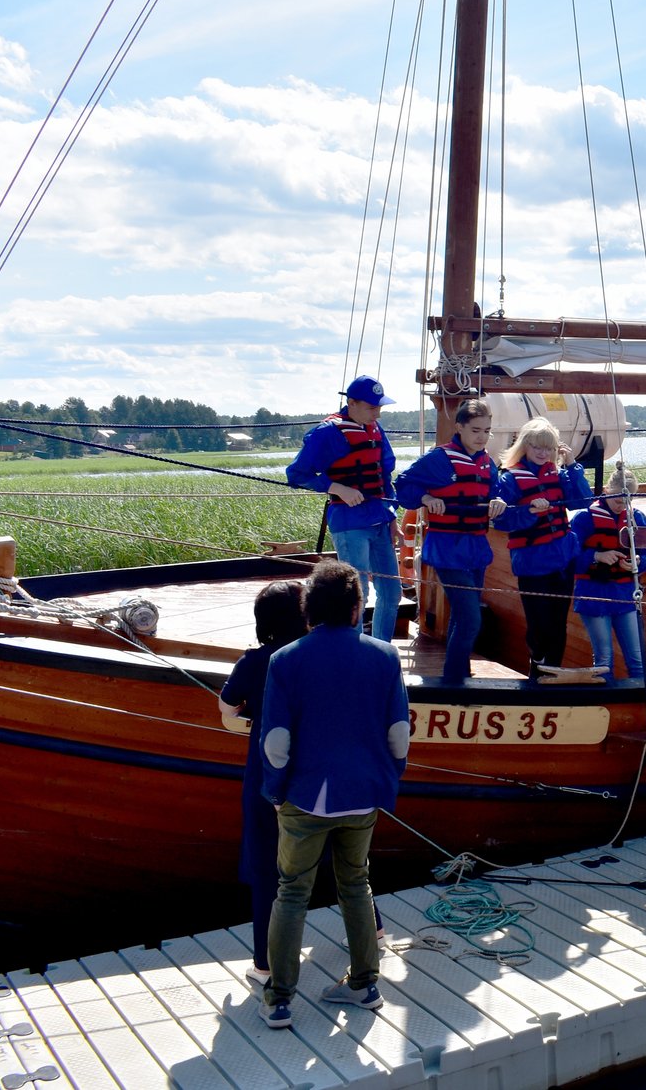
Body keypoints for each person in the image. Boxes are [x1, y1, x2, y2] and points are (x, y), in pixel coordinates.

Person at [258, 560, 410, 1029]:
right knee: (356, 885)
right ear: (355, 607)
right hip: (362, 796)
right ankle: (364, 984)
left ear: (309, 608)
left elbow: (276, 743)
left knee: (291, 893)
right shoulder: (385, 657)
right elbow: (399, 736)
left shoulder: (287, 659)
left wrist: (275, 792)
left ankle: (280, 998)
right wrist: (385, 781)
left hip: (305, 797)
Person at [217, 580, 308, 984]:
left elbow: (227, 707)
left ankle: (264, 965)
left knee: (266, 872)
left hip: (267, 782)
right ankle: (373, 931)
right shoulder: (315, 657)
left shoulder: (254, 663)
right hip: (317, 777)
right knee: (344, 861)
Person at [394, 398, 508, 682]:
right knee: (471, 618)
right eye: (476, 430)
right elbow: (404, 484)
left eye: (487, 431)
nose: (482, 437)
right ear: (459, 427)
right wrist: (426, 497)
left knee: (462, 615)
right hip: (447, 548)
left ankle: (456, 674)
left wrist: (498, 501)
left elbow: (498, 491)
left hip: (476, 549)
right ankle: (455, 680)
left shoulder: (486, 463)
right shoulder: (439, 459)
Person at [285, 376, 401, 640]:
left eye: (379, 407)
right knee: (357, 593)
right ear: (351, 403)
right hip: (350, 525)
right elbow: (296, 474)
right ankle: (355, 649)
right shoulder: (327, 432)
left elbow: (385, 476)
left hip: (380, 521)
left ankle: (380, 649)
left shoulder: (375, 429)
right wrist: (336, 488)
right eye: (372, 407)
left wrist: (392, 518)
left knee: (392, 592)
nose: (377, 413)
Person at [493, 419, 592, 676]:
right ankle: (537, 667)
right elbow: (502, 520)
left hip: (562, 558)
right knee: (538, 624)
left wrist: (572, 465)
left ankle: (553, 675)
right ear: (525, 446)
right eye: (537, 446)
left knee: (559, 623)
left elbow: (581, 501)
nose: (542, 453)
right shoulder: (510, 479)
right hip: (532, 561)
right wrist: (530, 511)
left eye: (548, 448)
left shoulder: (558, 475)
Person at [570, 465, 646, 679]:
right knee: (604, 659)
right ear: (607, 491)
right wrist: (596, 556)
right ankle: (606, 706)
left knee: (637, 660)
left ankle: (640, 707)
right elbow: (568, 556)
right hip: (593, 594)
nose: (622, 506)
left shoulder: (638, 519)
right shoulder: (584, 518)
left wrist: (639, 561)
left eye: (628, 501)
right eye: (618, 500)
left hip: (625, 593)